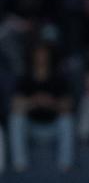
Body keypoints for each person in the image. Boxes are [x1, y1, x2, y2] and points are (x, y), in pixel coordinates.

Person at [7, 42, 75, 173]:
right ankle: (20, 163)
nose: (41, 58)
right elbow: (15, 105)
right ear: (33, 57)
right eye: (38, 55)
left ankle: (65, 163)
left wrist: (51, 102)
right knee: (16, 118)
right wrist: (35, 101)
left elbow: (68, 105)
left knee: (67, 120)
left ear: (49, 57)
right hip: (31, 128)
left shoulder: (58, 79)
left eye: (44, 55)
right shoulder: (25, 79)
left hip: (52, 128)